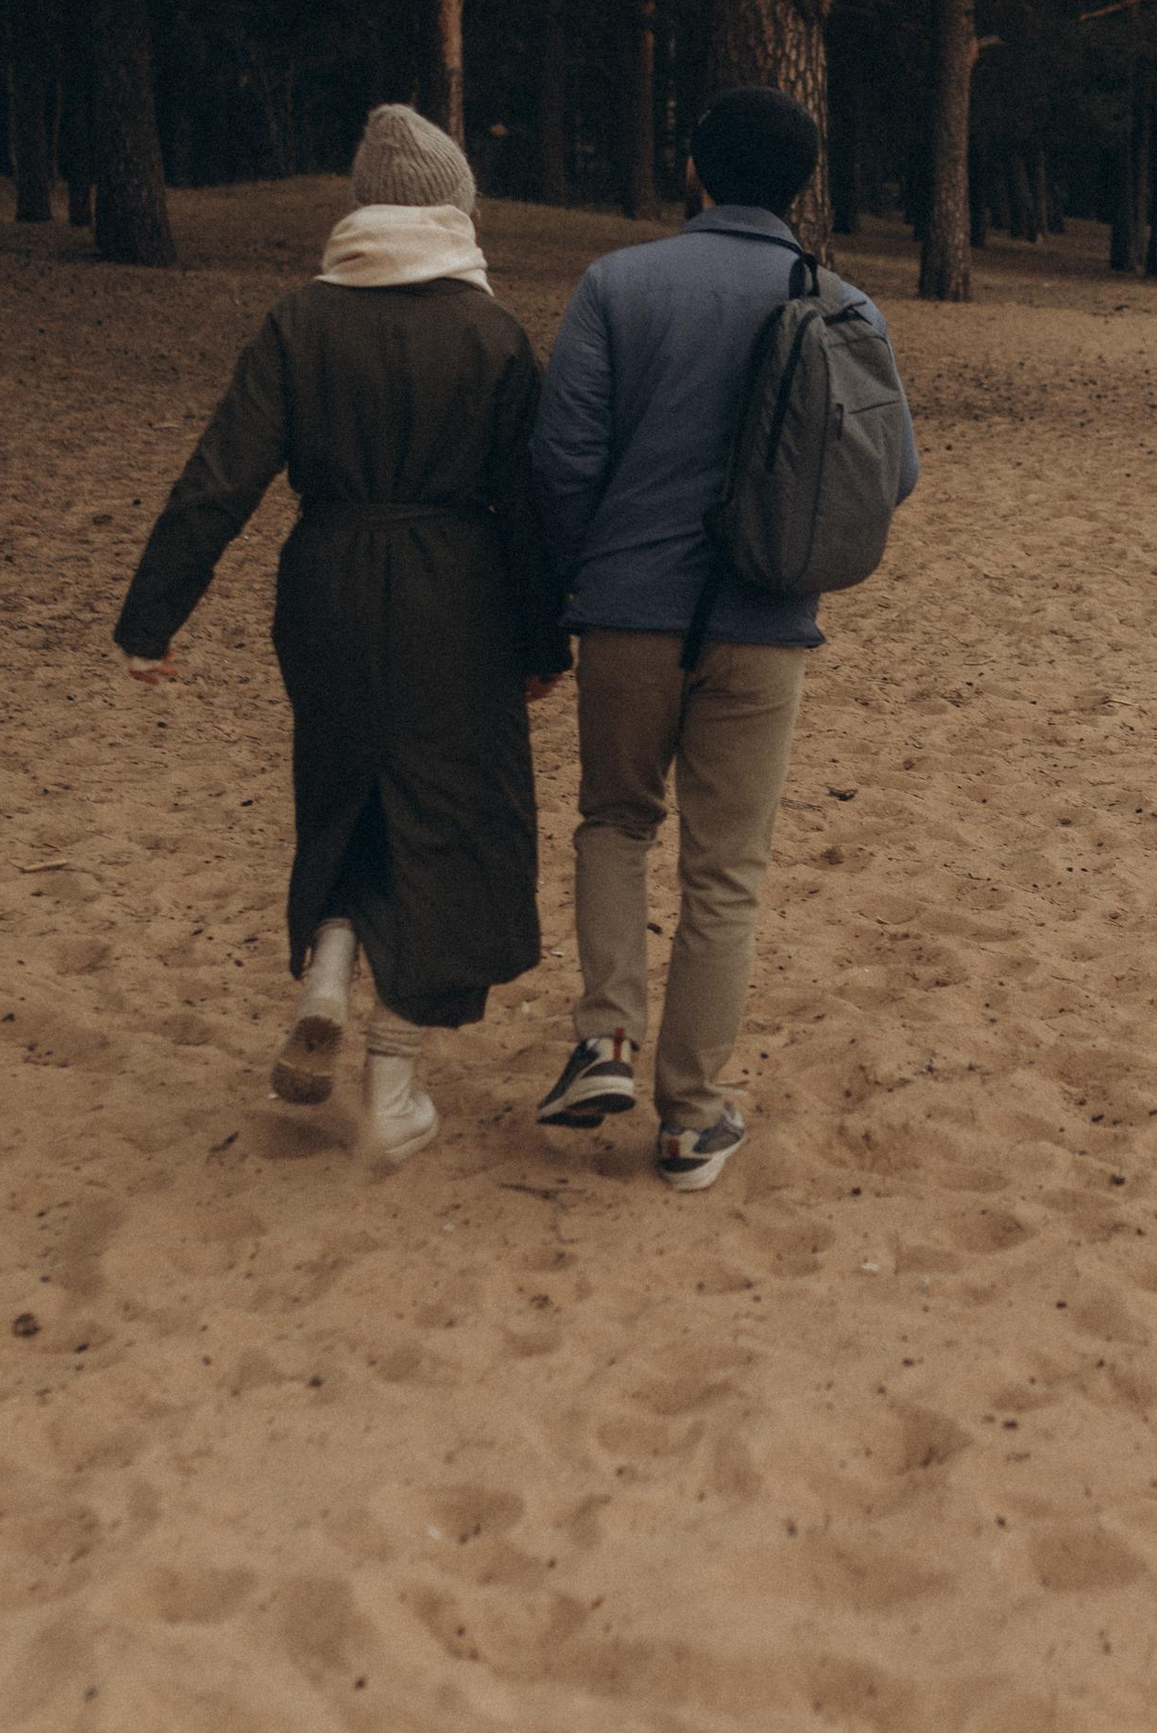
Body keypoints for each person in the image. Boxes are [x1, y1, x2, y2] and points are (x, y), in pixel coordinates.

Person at [113, 104, 569, 1163]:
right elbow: (531, 508)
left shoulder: (298, 321)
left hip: (322, 581)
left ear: (364, 209)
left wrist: (151, 619)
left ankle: (329, 959)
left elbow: (218, 479)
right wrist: (545, 643)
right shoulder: (492, 334)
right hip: (457, 593)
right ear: (452, 209)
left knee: (347, 782)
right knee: (454, 820)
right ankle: (395, 1084)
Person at [530, 87, 919, 1189]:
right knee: (725, 873)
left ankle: (603, 1036)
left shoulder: (619, 283)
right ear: (800, 184)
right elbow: (895, 474)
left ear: (695, 169)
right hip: (766, 623)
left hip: (625, 611)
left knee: (613, 819)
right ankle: (691, 1115)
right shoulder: (845, 306)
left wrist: (574, 588)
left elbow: (562, 460)